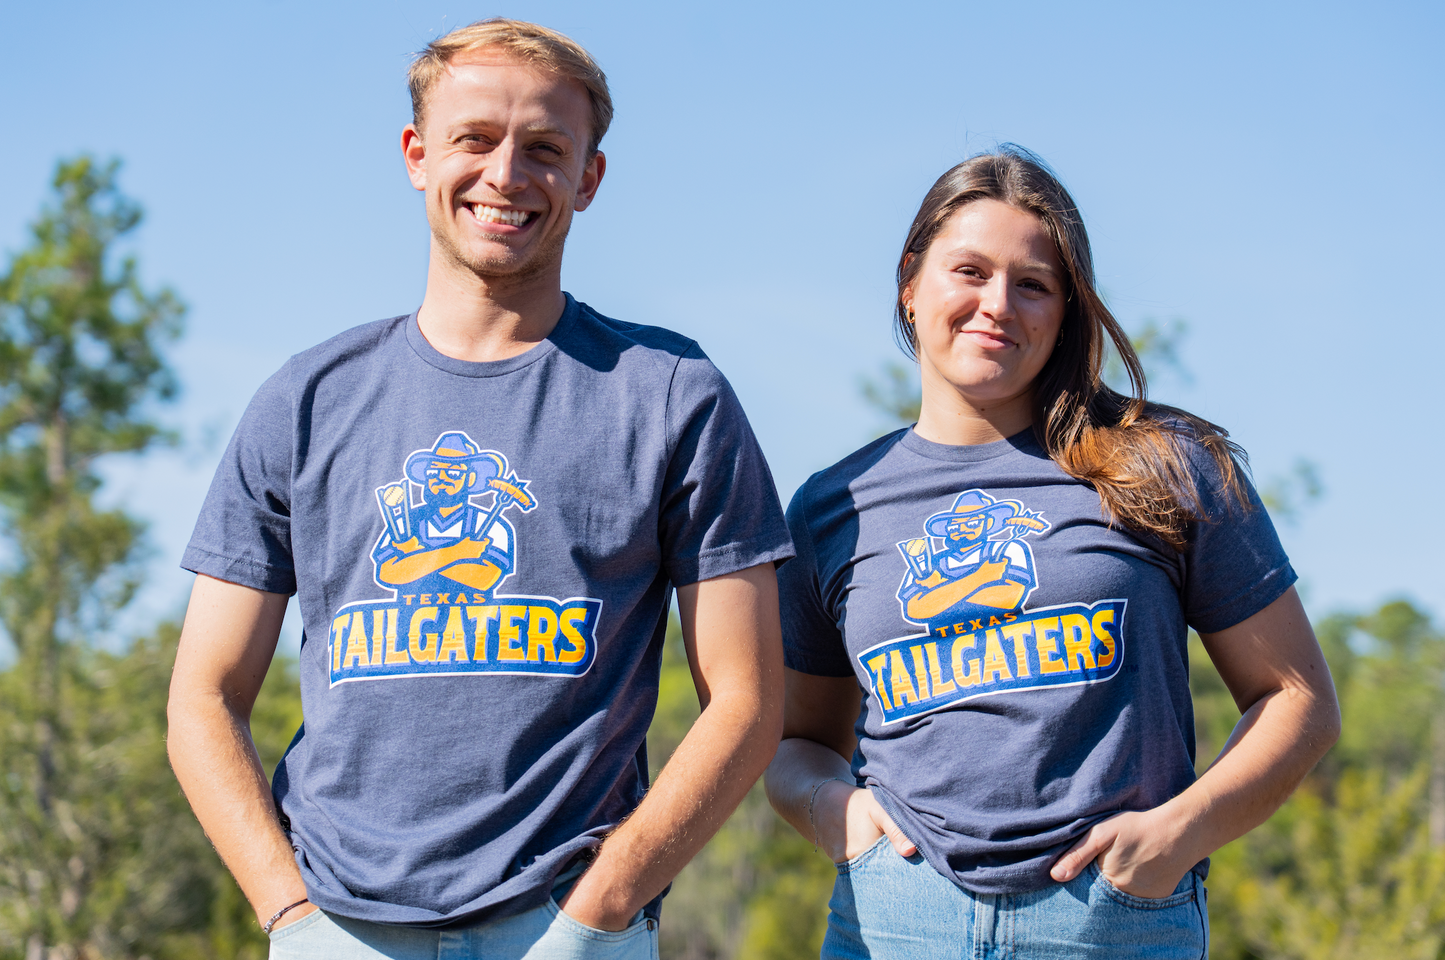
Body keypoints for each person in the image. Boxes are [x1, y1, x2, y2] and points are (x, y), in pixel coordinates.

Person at [166, 18, 792, 959]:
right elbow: (203, 697)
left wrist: (602, 909)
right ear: (418, 155)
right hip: (340, 924)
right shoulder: (305, 399)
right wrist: (291, 918)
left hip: (564, 924)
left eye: (545, 148)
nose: (505, 174)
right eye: (474, 139)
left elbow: (746, 698)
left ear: (589, 178)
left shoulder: (669, 393)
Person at [764, 147, 1340, 959]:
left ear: (1065, 311)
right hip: (895, 918)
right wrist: (840, 817)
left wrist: (1174, 837)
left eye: (1030, 284)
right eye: (968, 270)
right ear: (910, 281)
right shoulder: (833, 506)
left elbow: (1297, 701)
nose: (995, 304)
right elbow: (796, 745)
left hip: (1112, 920)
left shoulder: (1160, 463)